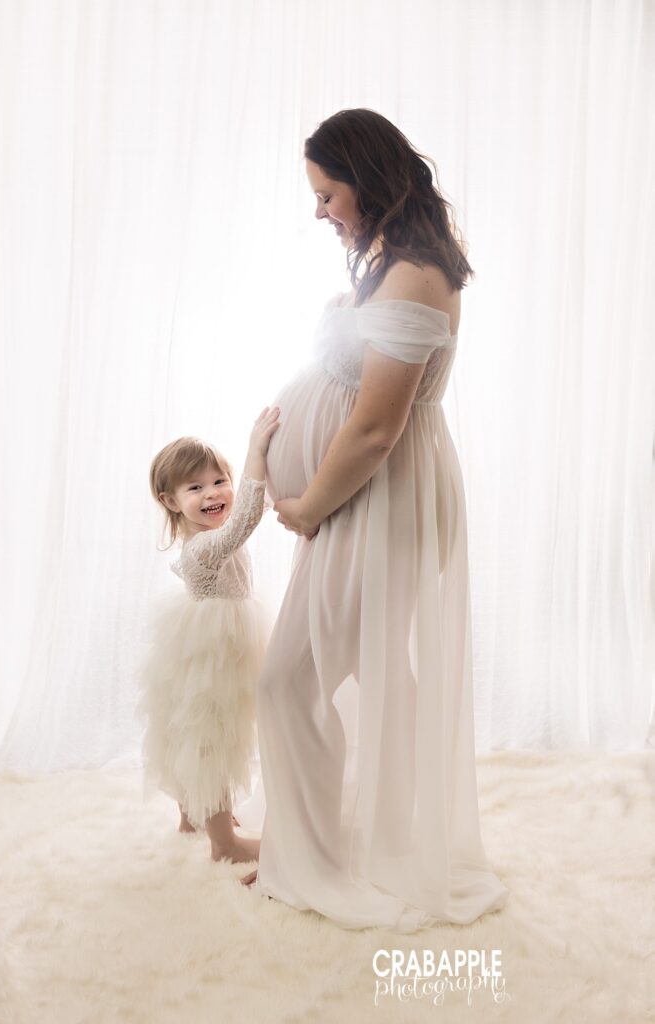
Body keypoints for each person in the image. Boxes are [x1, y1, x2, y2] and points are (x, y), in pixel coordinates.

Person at [245, 109, 509, 931]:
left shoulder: (415, 275)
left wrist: (304, 506)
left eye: (327, 194)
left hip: (380, 501)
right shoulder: (390, 262)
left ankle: (322, 860)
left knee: (288, 680)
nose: (320, 211)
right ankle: (328, 841)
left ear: (368, 178)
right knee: (343, 672)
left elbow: (374, 427)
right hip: (366, 501)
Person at [136, 408, 278, 871]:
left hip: (208, 646)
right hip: (216, 654)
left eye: (219, 481)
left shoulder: (207, 535)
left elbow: (244, 514)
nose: (213, 494)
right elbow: (245, 521)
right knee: (214, 741)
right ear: (171, 501)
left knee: (195, 735)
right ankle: (225, 844)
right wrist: (257, 449)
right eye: (195, 488)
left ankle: (191, 816)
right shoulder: (206, 546)